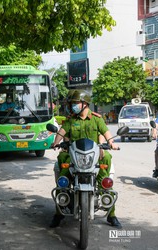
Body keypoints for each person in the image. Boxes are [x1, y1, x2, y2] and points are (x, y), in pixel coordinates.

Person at [49, 89, 122, 229]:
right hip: (74, 156)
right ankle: (59, 213)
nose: (73, 106)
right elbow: (61, 132)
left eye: (75, 103)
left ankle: (111, 215)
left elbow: (105, 132)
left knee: (106, 170)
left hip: (92, 158)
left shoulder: (96, 119)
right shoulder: (71, 120)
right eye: (72, 104)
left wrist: (111, 143)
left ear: (84, 104)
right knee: (62, 181)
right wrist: (56, 142)